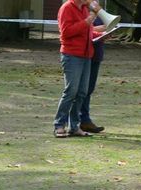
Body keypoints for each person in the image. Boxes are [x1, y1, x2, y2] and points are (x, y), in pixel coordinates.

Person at [53, 0, 102, 137]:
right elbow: (66, 32)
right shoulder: (67, 8)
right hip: (72, 55)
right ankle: (59, 125)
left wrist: (102, 36)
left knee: (81, 92)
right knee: (71, 91)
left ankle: (74, 126)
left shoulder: (85, 9)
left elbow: (88, 32)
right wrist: (87, 21)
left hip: (86, 56)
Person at [79, 17, 106, 133]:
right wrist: (96, 29)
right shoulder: (81, 11)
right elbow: (77, 30)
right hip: (83, 55)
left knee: (89, 89)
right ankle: (78, 120)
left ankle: (85, 120)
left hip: (96, 55)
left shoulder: (100, 15)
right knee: (81, 90)